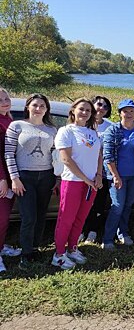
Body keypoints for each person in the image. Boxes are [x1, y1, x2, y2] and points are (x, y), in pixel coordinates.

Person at [5, 93, 57, 270]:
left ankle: (35, 248)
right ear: (28, 106)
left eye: (42, 106)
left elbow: (55, 156)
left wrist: (56, 178)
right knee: (29, 217)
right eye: (35, 105)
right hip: (25, 177)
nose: (38, 108)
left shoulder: (51, 129)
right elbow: (9, 154)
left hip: (46, 176)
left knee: (41, 215)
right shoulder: (17, 125)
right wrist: (15, 178)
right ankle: (26, 254)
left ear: (46, 109)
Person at [52, 98, 103, 269]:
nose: (85, 113)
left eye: (88, 110)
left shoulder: (93, 133)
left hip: (91, 184)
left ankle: (72, 248)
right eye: (81, 109)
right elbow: (65, 159)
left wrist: (98, 175)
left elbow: (99, 155)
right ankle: (59, 254)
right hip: (72, 181)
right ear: (73, 110)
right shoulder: (66, 131)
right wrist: (86, 179)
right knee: (66, 218)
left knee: (81, 218)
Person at [102, 99, 134, 250]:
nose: (129, 113)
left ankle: (123, 233)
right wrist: (115, 176)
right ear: (120, 113)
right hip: (117, 176)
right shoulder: (112, 130)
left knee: (128, 205)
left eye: (131, 111)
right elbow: (108, 155)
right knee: (117, 206)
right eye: (125, 111)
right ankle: (107, 238)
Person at [82, 96, 113, 244]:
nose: (101, 108)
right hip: (84, 170)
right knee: (83, 202)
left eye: (105, 107)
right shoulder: (83, 124)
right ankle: (82, 229)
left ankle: (93, 230)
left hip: (103, 172)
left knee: (98, 202)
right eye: (99, 104)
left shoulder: (109, 126)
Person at [0, 88, 20, 272]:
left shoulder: (9, 119)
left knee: (5, 218)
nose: (5, 101)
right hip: (2, 178)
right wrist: (2, 179)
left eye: (6, 98)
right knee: (1, 217)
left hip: (10, 176)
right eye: (0, 100)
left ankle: (1, 246)